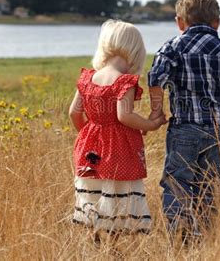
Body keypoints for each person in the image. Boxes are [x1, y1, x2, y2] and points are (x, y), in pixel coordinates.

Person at [147, 0, 220, 240]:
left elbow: (155, 80)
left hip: (184, 129)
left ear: (180, 22)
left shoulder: (172, 47)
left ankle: (179, 237)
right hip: (217, 133)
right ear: (217, 22)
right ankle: (204, 236)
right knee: (210, 185)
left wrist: (155, 112)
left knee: (177, 183)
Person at [69, 19, 166, 244]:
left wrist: (87, 135)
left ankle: (94, 240)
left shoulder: (87, 77)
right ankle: (111, 247)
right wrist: (152, 124)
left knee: (92, 194)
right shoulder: (125, 82)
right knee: (117, 198)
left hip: (89, 149)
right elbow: (125, 116)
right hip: (119, 151)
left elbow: (74, 112)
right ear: (136, 51)